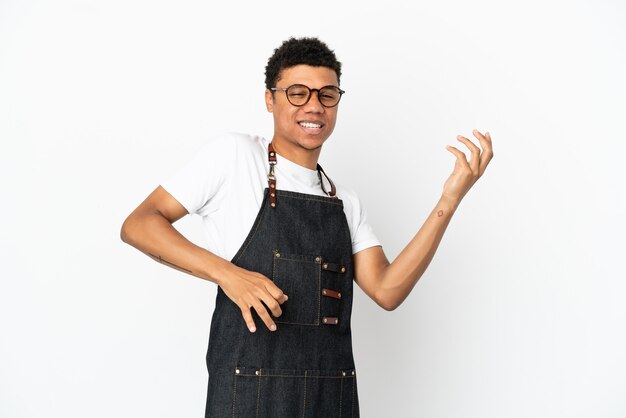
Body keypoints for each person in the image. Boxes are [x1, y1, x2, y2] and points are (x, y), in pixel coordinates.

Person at [120, 37, 493, 418]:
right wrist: (229, 275)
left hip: (330, 400)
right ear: (270, 99)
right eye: (298, 93)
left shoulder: (343, 200)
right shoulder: (234, 157)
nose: (314, 106)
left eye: (327, 94)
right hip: (249, 399)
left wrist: (450, 198)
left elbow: (387, 290)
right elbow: (140, 224)